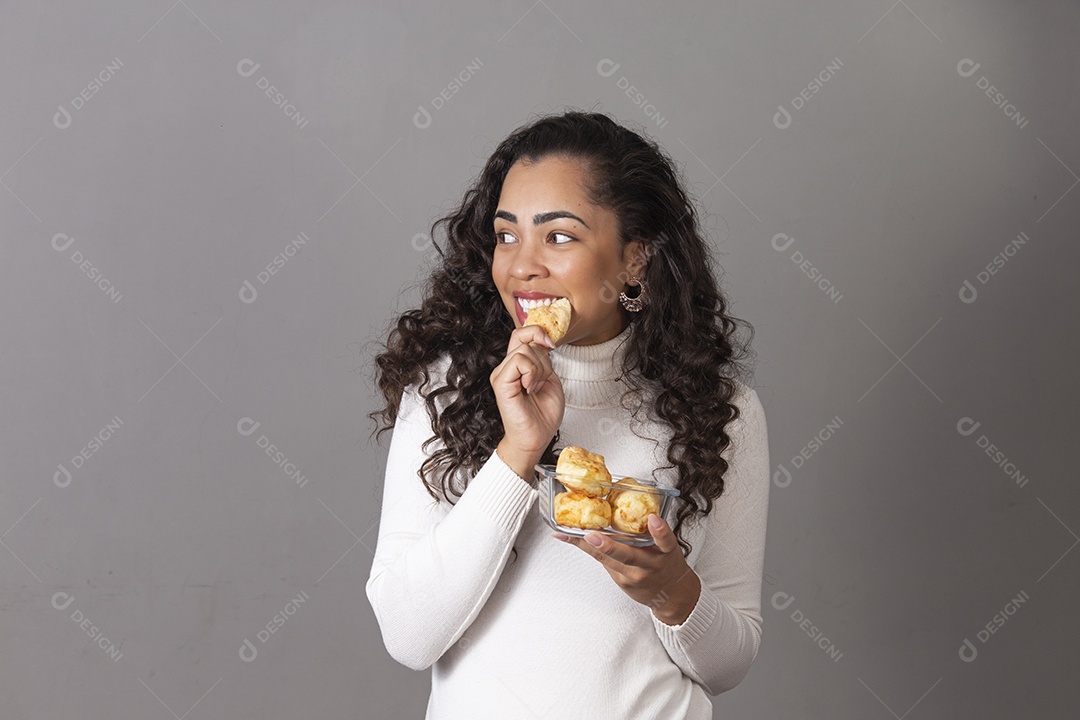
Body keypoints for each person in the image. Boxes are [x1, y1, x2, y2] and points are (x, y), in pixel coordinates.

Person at [365, 110, 770, 719]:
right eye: (507, 236)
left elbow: (729, 663)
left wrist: (673, 593)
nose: (522, 266)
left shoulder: (720, 409)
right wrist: (518, 452)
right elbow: (408, 634)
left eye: (559, 237)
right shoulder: (440, 388)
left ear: (634, 260)